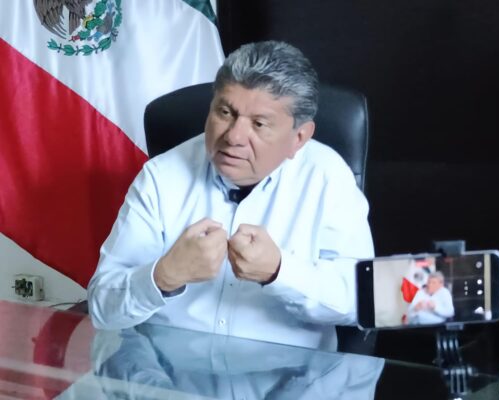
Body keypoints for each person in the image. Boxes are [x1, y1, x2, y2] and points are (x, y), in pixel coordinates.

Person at [87, 41, 374, 351]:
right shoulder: (162, 175)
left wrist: (280, 271)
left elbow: (364, 301)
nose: (234, 137)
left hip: (284, 371)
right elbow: (102, 307)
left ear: (299, 138)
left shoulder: (328, 178)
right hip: (167, 370)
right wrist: (163, 276)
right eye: (225, 113)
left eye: (259, 124)